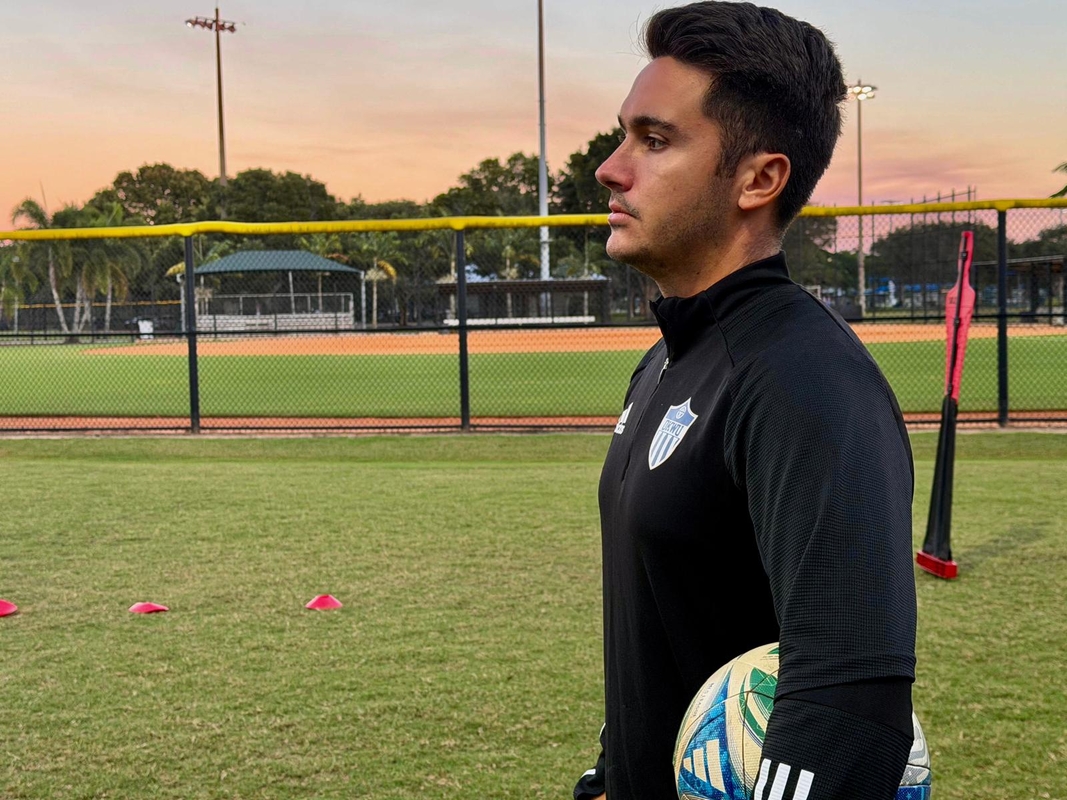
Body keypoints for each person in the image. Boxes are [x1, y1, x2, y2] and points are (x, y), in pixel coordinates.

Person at [572, 3, 918, 799]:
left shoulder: (805, 378)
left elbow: (848, 706)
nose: (610, 169)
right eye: (624, 135)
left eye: (654, 140)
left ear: (758, 179)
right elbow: (661, 633)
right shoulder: (667, 360)